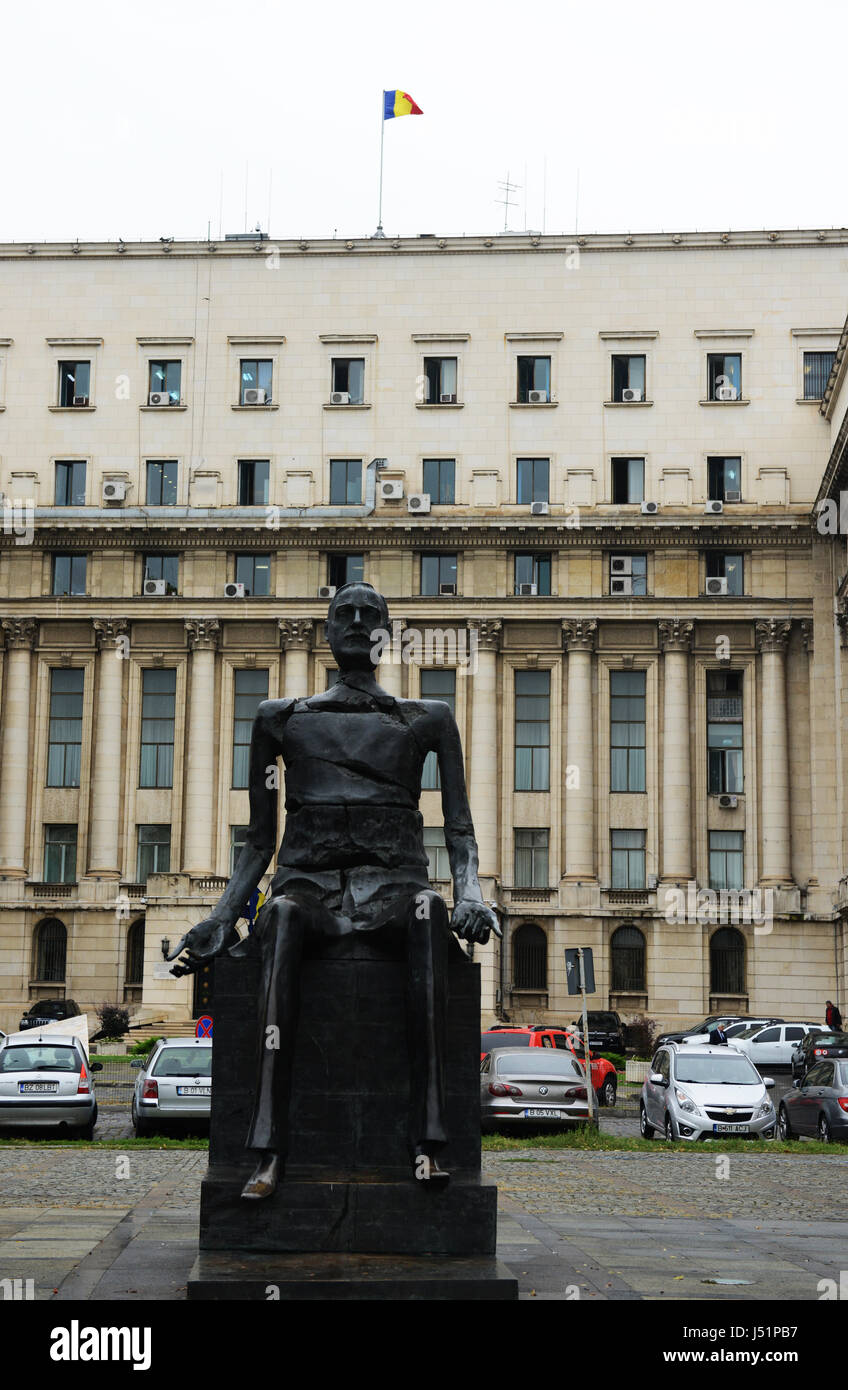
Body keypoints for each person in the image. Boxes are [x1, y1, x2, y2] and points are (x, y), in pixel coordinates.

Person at [168, 582, 501, 1200]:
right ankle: (268, 1151)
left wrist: (471, 892)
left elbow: (460, 828)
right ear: (325, 631)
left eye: (369, 614)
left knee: (429, 911)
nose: (354, 622)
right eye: (342, 613)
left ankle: (428, 1143)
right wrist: (220, 916)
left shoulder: (429, 719)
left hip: (396, 892)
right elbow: (258, 840)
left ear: (385, 635)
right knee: (285, 916)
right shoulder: (280, 719)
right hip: (309, 891)